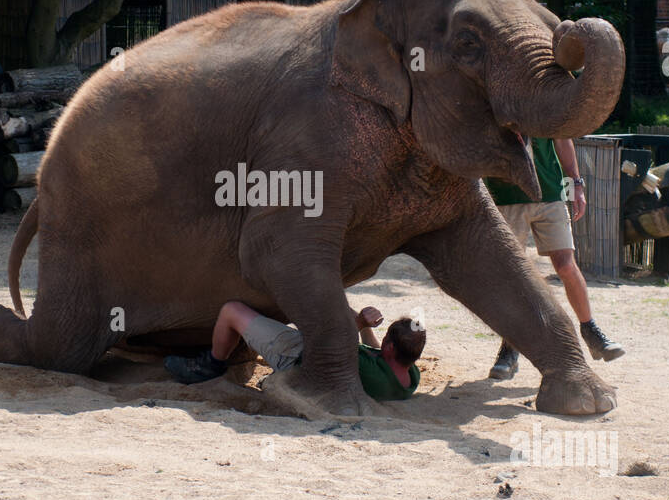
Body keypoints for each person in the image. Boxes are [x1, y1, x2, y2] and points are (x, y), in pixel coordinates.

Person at [484, 137, 624, 380]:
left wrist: (576, 186)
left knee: (566, 266)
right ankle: (510, 349)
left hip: (550, 193)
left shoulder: (544, 101)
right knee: (511, 274)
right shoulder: (495, 100)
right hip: (506, 196)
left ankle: (592, 332)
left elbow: (562, 139)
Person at [164, 301, 425, 401]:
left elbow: (332, 345)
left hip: (297, 359)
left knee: (231, 311)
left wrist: (358, 323)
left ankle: (212, 363)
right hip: (324, 357)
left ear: (392, 348)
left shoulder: (372, 375)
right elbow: (376, 350)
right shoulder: (408, 375)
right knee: (340, 306)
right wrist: (364, 325)